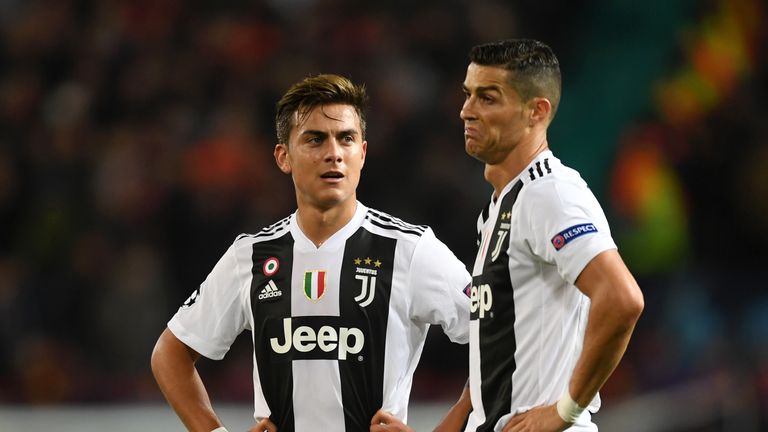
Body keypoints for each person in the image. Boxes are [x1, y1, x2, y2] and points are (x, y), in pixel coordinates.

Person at [150, 74, 471, 432]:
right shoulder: (253, 256)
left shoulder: (409, 250)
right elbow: (170, 353)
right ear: (283, 157)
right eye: (315, 139)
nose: (333, 153)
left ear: (362, 153)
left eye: (346, 138)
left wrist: (454, 425)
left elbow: (499, 335)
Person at [378, 39, 644, 432]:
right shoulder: (500, 208)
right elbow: (493, 379)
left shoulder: (550, 193)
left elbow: (622, 299)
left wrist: (566, 411)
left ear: (536, 111)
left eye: (488, 98)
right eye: (468, 95)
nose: (467, 111)